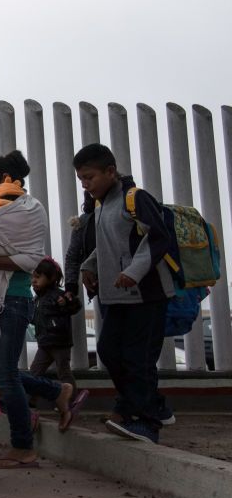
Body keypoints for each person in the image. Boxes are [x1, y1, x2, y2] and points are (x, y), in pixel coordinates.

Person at [0, 150, 76, 470]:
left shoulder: (27, 210)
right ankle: (57, 391)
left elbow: (30, 260)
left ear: (5, 181)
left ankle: (22, 446)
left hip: (12, 301)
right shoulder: (0, 212)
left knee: (1, 373)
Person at [75, 143, 174, 444]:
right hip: (115, 295)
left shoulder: (136, 198)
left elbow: (159, 238)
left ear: (110, 171)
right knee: (108, 352)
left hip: (146, 293)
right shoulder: (101, 205)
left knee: (138, 357)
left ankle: (147, 423)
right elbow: (107, 244)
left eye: (90, 177)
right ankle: (146, 405)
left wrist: (133, 272)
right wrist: (88, 266)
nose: (86, 184)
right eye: (81, 179)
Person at [31, 257, 81, 390]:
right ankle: (32, 400)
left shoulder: (59, 295)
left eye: (38, 277)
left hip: (60, 343)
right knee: (34, 372)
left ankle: (71, 401)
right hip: (44, 343)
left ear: (51, 278)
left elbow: (75, 306)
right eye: (33, 277)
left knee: (64, 372)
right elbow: (35, 319)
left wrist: (67, 302)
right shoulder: (37, 299)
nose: (34, 281)